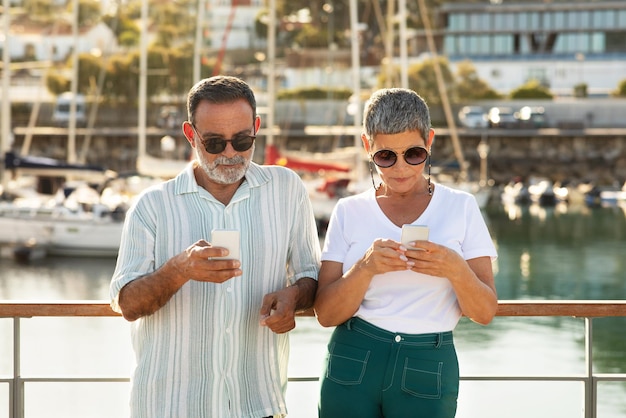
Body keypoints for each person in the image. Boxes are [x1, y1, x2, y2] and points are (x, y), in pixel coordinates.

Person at [109, 75, 321, 418]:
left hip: (259, 405)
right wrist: (178, 271)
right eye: (214, 143)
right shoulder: (152, 206)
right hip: (170, 408)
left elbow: (311, 275)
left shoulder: (287, 190)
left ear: (256, 128)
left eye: (242, 140)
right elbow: (128, 305)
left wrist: (294, 297)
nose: (231, 153)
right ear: (191, 135)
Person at [314, 88, 498, 418]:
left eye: (413, 153)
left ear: (429, 141)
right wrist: (364, 269)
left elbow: (484, 312)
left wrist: (454, 268)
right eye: (386, 156)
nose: (400, 168)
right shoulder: (348, 210)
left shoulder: (461, 206)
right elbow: (326, 314)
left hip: (427, 363)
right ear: (367, 146)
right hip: (353, 357)